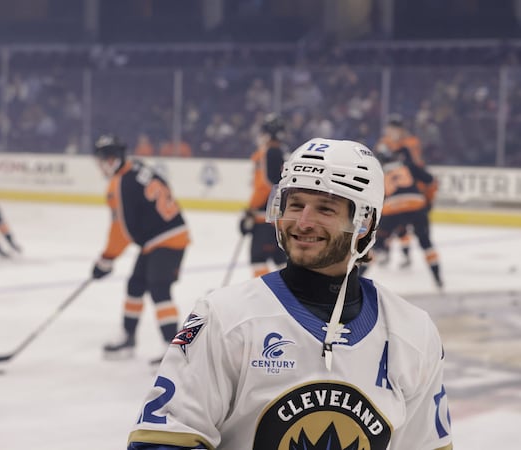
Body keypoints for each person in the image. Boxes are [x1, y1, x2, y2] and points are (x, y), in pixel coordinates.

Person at [127, 138, 453, 449]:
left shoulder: (413, 333)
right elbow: (163, 441)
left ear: (364, 222)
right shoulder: (223, 319)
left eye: (325, 209)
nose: (303, 222)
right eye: (295, 205)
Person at [89, 135, 190, 363]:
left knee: (159, 289)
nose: (100, 167)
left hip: (167, 240)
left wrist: (107, 258)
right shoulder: (137, 168)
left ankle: (174, 349)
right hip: (158, 238)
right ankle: (128, 337)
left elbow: (121, 230)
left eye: (102, 161)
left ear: (111, 160)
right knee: (135, 285)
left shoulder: (120, 183)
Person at [373, 146, 444, 289]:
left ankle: (354, 279)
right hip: (416, 204)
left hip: (392, 208)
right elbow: (431, 181)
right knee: (426, 243)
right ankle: (437, 278)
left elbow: (376, 199)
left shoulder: (378, 173)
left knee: (376, 246)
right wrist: (428, 202)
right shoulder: (408, 166)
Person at [376, 114, 438, 267]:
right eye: (391, 128)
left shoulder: (410, 143)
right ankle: (385, 252)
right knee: (391, 224)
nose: (393, 131)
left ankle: (404, 254)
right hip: (390, 188)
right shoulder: (383, 144)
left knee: (403, 226)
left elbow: (416, 165)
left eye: (396, 128)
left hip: (410, 186)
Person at [239, 113, 288, 278]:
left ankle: (265, 293)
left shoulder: (268, 153)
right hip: (278, 218)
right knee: (281, 260)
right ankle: (287, 292)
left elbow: (265, 185)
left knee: (258, 260)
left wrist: (251, 208)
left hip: (263, 219)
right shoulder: (282, 153)